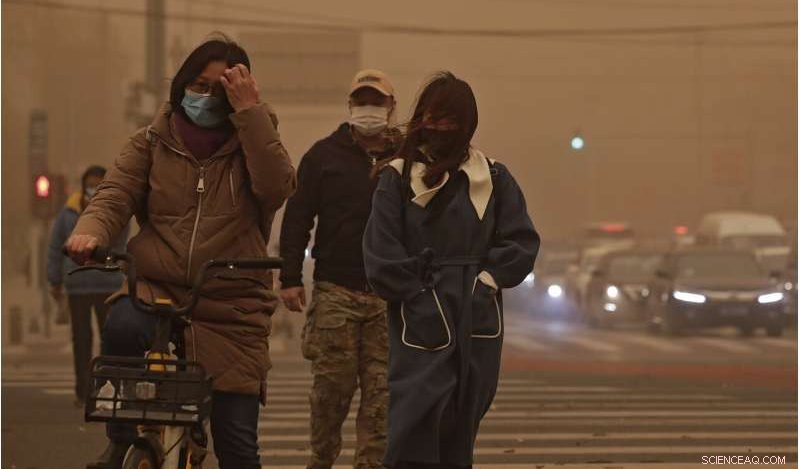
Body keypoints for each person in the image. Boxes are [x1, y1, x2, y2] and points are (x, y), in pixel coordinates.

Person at [64, 35, 296, 469]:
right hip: (158, 289)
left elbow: (278, 186)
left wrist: (250, 112)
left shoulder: (255, 139)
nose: (205, 96)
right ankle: (121, 441)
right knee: (120, 326)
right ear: (182, 84)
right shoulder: (150, 141)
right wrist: (89, 233)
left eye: (219, 88)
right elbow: (114, 194)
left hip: (233, 303)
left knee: (239, 447)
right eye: (198, 84)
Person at [362, 71, 540, 469]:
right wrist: (417, 295)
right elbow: (381, 253)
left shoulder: (493, 177)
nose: (440, 128)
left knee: (463, 421)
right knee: (414, 421)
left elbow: (522, 240)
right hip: (421, 309)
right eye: (432, 117)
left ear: (468, 124)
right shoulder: (397, 178)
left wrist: (488, 281)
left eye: (450, 121)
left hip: (476, 310)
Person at [279, 69, 400, 469]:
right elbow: (298, 216)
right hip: (336, 294)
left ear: (391, 106)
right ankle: (321, 460)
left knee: (382, 401)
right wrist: (291, 278)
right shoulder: (322, 155)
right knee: (331, 395)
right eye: (362, 101)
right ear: (350, 106)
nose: (369, 109)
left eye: (377, 101)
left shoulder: (407, 156)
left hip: (389, 297)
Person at [47, 165, 129, 407]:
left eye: (98, 183)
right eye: (90, 183)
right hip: (78, 285)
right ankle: (83, 391)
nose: (93, 188)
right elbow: (54, 248)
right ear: (83, 185)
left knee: (109, 338)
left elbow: (121, 240)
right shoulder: (67, 213)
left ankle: (107, 387)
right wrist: (54, 280)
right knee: (81, 340)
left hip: (107, 282)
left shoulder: (114, 209)